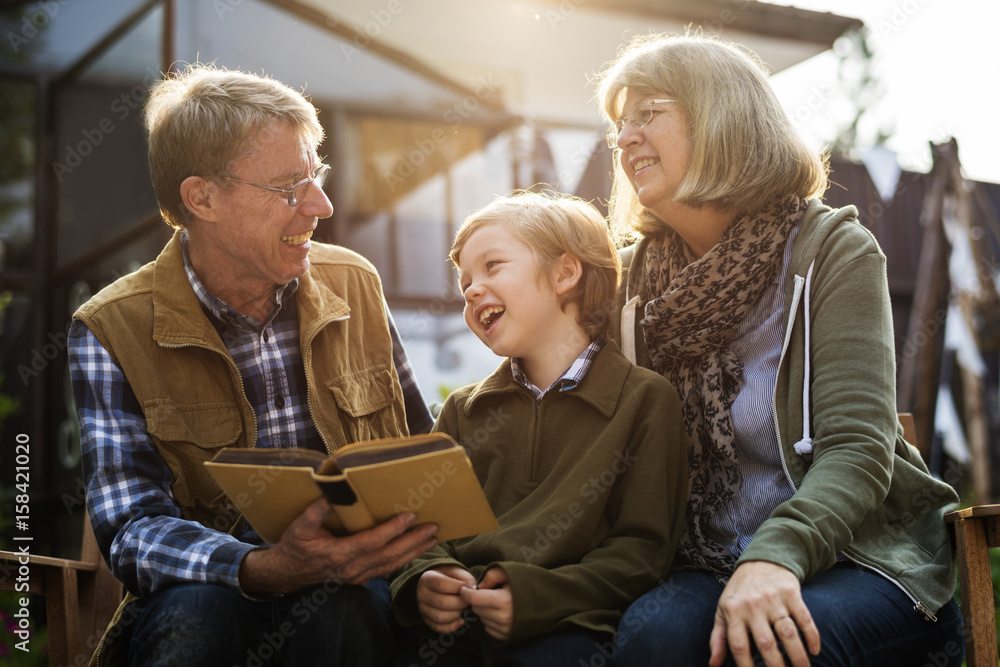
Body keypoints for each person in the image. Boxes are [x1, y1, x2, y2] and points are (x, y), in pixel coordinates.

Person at [596, 34, 964, 667]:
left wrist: (775, 554)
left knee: (774, 648)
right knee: (650, 642)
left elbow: (857, 446)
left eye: (648, 113)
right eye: (618, 125)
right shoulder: (626, 282)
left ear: (722, 117)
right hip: (703, 559)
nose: (625, 138)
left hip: (859, 554)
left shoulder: (832, 252)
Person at [67, 65, 439, 667]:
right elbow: (132, 530)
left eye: (315, 175)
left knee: (344, 605)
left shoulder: (356, 282)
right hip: (210, 592)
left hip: (357, 586)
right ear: (202, 198)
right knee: (198, 615)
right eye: (290, 187)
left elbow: (421, 454)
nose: (321, 204)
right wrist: (264, 567)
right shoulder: (110, 328)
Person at [389, 192, 688, 666]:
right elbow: (425, 531)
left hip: (564, 626)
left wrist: (534, 598)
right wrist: (427, 577)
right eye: (465, 280)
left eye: (492, 266)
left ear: (565, 274)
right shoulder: (463, 412)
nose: (470, 289)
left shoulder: (645, 402)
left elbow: (640, 552)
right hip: (454, 627)